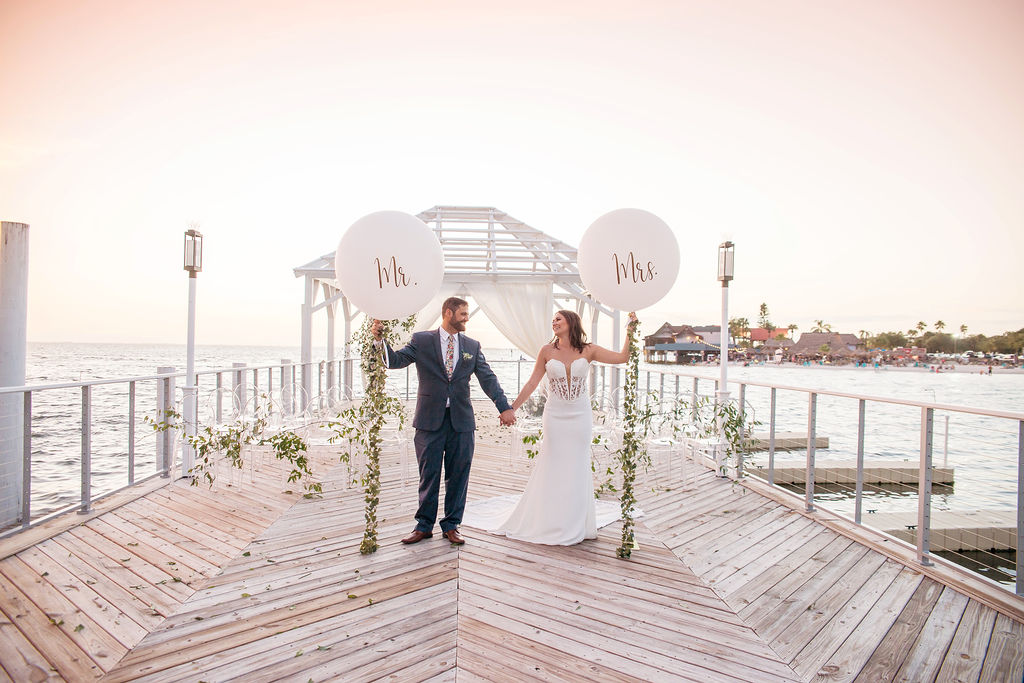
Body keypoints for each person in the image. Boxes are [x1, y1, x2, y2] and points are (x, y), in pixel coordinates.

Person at [462, 309, 637, 545]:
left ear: (571, 322)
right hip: (555, 415)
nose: (553, 322)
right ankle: (551, 518)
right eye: (552, 319)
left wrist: (630, 331)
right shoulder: (546, 351)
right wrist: (511, 407)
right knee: (553, 462)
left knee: (577, 464)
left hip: (580, 415)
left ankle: (575, 521)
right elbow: (533, 382)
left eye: (558, 319)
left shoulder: (589, 349)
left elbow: (623, 358)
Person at [372, 297, 516, 546]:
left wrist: (504, 407)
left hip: (462, 421)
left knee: (459, 475)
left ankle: (451, 525)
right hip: (429, 420)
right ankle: (423, 526)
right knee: (428, 474)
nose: (466, 318)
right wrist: (379, 340)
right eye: (462, 314)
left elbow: (488, 378)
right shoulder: (422, 340)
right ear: (448, 313)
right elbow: (394, 362)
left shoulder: (472, 345)